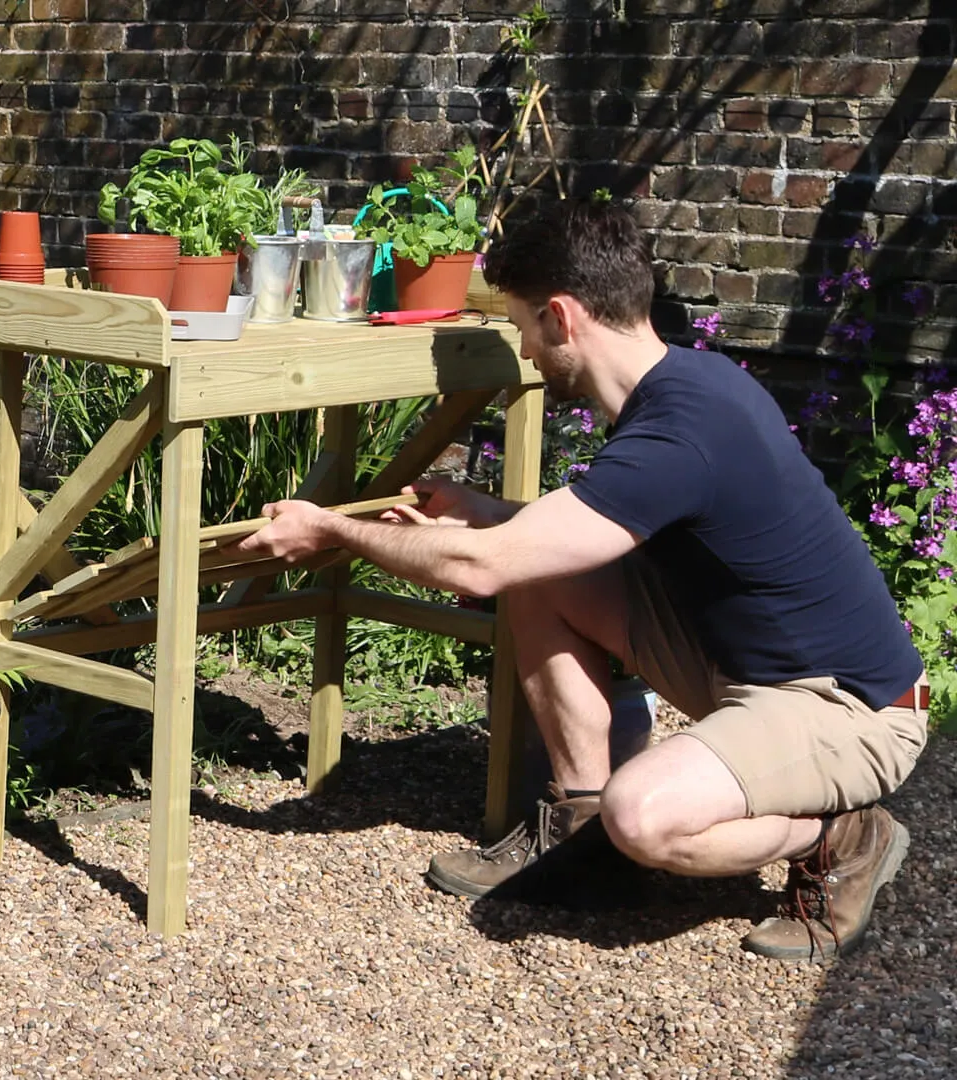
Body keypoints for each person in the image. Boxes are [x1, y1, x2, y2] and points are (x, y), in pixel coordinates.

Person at [230, 197, 927, 961]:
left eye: (524, 325)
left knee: (647, 818)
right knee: (539, 575)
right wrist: (488, 508)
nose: (524, 349)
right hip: (742, 668)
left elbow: (479, 563)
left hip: (849, 709)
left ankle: (843, 833)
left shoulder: (681, 428)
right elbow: (548, 544)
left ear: (562, 318)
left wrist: (331, 529)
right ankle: (584, 838)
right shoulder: (684, 385)